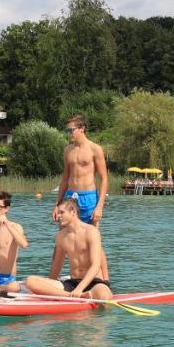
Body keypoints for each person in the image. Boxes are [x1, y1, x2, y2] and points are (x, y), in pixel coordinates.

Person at [54, 113, 110, 279]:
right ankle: (53, 280)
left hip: (89, 198)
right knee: (63, 238)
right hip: (70, 196)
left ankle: (105, 279)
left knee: (93, 240)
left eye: (71, 130)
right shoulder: (68, 150)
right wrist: (57, 204)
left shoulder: (95, 149)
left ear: (82, 129)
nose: (69, 133)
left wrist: (99, 206)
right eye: (67, 130)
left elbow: (104, 179)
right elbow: (64, 179)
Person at [26, 197, 112, 300]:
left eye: (61, 212)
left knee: (103, 294)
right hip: (73, 283)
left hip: (93, 282)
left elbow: (96, 265)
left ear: (73, 212)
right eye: (58, 213)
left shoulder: (91, 232)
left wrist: (80, 288)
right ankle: (74, 296)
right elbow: (56, 266)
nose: (58, 216)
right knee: (30, 281)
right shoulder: (60, 236)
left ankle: (80, 294)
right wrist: (49, 287)